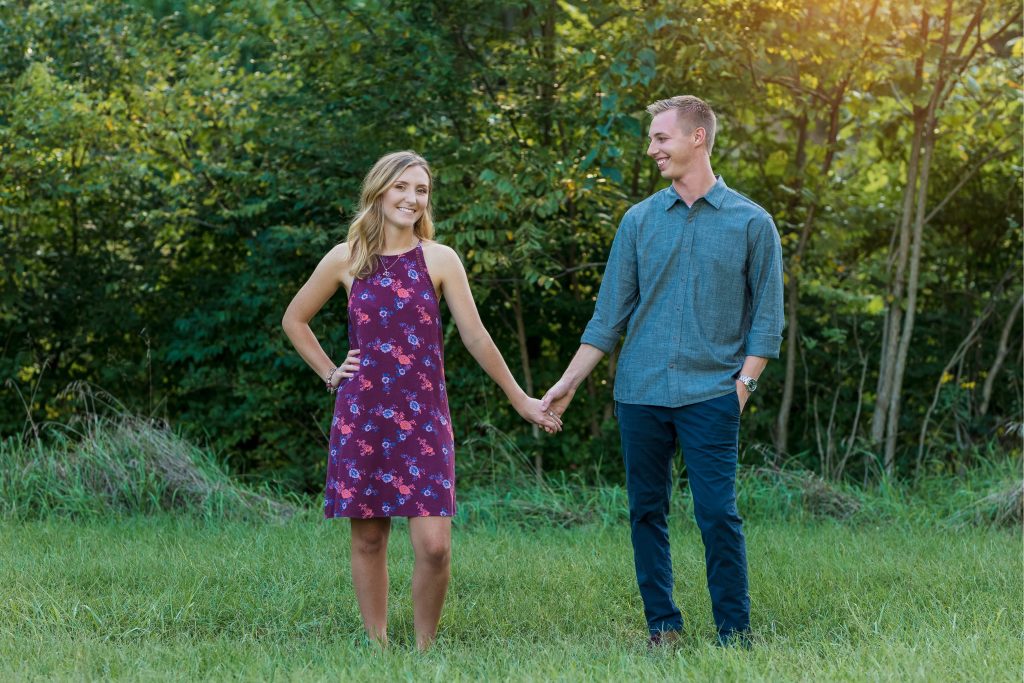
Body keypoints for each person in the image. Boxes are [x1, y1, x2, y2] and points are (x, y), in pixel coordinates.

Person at [282, 150, 561, 650]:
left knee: (434, 547)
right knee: (369, 538)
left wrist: (521, 399)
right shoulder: (346, 257)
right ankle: (378, 646)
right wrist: (330, 372)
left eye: (421, 190)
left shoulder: (440, 259)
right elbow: (294, 319)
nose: (412, 198)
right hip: (362, 417)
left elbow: (476, 338)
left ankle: (424, 652)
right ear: (379, 190)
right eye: (402, 187)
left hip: (424, 420)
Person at [541, 96, 784, 647]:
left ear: (697, 138)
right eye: (652, 139)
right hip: (641, 392)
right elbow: (608, 319)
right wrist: (568, 383)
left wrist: (740, 389)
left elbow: (767, 324)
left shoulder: (752, 223)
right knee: (646, 512)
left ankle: (734, 635)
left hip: (712, 395)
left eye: (660, 138)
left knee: (718, 515)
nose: (651, 149)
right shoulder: (639, 221)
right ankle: (664, 628)